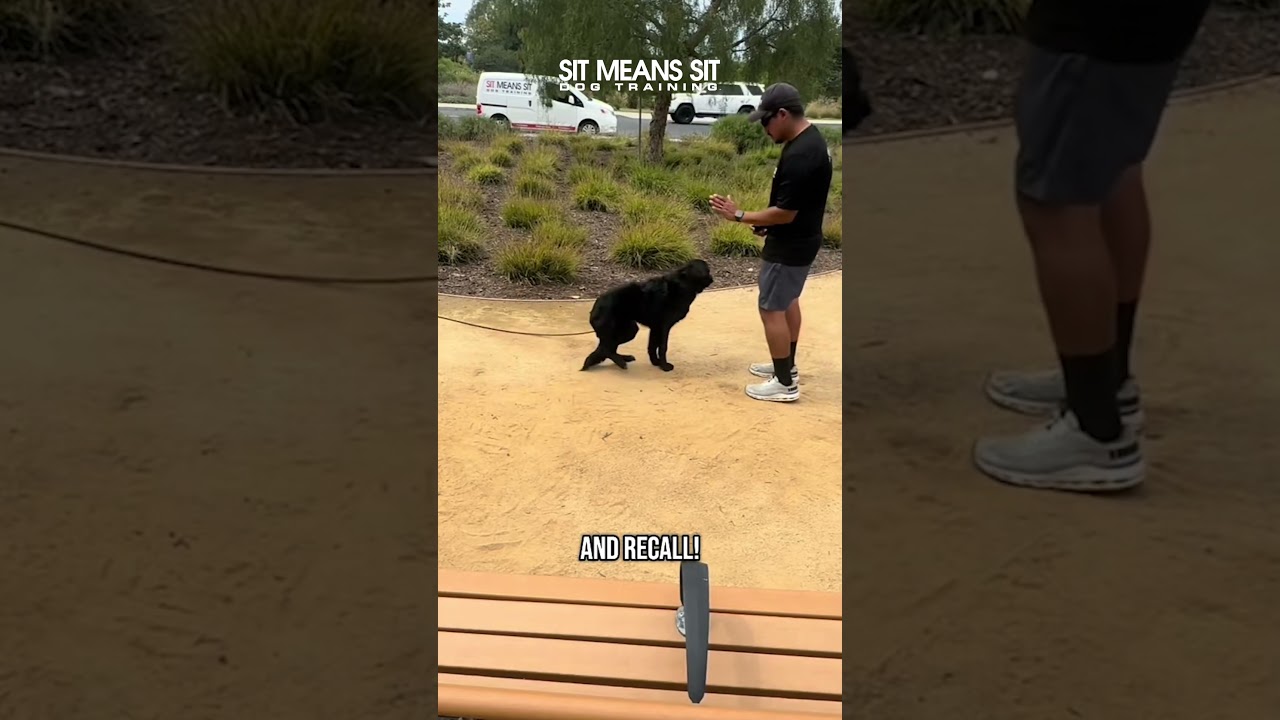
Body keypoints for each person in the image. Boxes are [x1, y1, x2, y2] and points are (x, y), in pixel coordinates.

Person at [973, 0, 1212, 492]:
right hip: (1146, 21)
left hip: (1097, 24)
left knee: (1058, 201)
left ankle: (1095, 430)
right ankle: (1106, 381)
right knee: (1113, 173)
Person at [710, 82, 833, 403]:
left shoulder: (803, 154)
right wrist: (765, 224)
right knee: (788, 301)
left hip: (790, 244)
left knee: (771, 308)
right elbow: (795, 207)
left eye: (767, 121)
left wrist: (739, 215)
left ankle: (784, 384)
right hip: (799, 238)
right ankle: (786, 367)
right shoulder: (810, 140)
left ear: (782, 114)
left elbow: (786, 213)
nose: (764, 128)